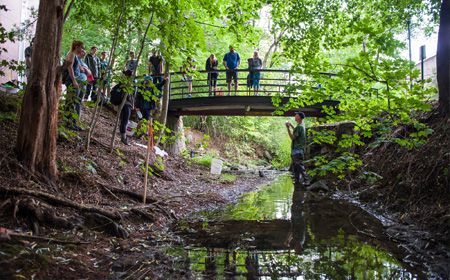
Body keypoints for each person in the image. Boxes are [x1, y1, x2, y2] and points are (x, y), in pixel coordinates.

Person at [64, 40, 85, 131]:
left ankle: (73, 122)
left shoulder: (76, 56)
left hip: (76, 80)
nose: (82, 50)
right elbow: (69, 67)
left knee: (74, 101)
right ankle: (68, 122)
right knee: (70, 101)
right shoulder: (71, 54)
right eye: (81, 47)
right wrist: (73, 80)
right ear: (76, 47)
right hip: (72, 81)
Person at [286, 111, 310, 185]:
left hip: (297, 149)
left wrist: (288, 128)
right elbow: (296, 131)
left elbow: (293, 137)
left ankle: (306, 180)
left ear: (299, 117)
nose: (295, 116)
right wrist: (292, 126)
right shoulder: (300, 126)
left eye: (296, 115)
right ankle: (297, 181)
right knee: (295, 166)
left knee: (299, 165)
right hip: (296, 149)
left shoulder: (299, 127)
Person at [119, 70, 137, 146]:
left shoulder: (122, 82)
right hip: (126, 104)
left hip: (122, 104)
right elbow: (130, 96)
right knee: (125, 121)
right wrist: (132, 104)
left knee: (123, 121)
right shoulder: (128, 84)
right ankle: (124, 138)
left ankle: (123, 137)